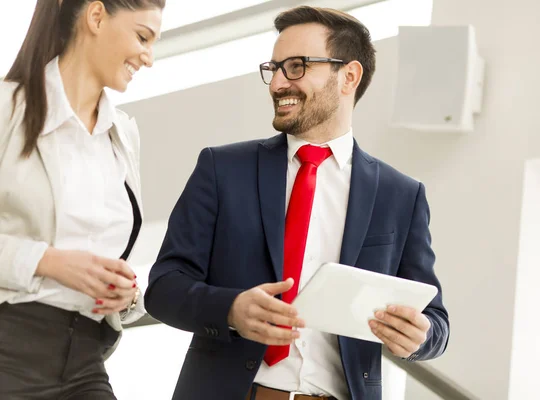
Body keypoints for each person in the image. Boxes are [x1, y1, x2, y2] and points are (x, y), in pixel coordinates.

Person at [145, 6, 449, 400]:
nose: (276, 84)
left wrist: (420, 336)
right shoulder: (222, 169)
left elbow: (436, 321)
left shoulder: (401, 195)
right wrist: (231, 309)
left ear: (349, 77)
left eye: (296, 66)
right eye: (273, 69)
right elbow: (164, 288)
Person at [0, 0, 164, 398]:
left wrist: (124, 296)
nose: (149, 57)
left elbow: (106, 256)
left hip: (85, 359)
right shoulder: (7, 109)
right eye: (142, 36)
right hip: (9, 350)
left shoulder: (123, 134)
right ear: (95, 17)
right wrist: (49, 262)